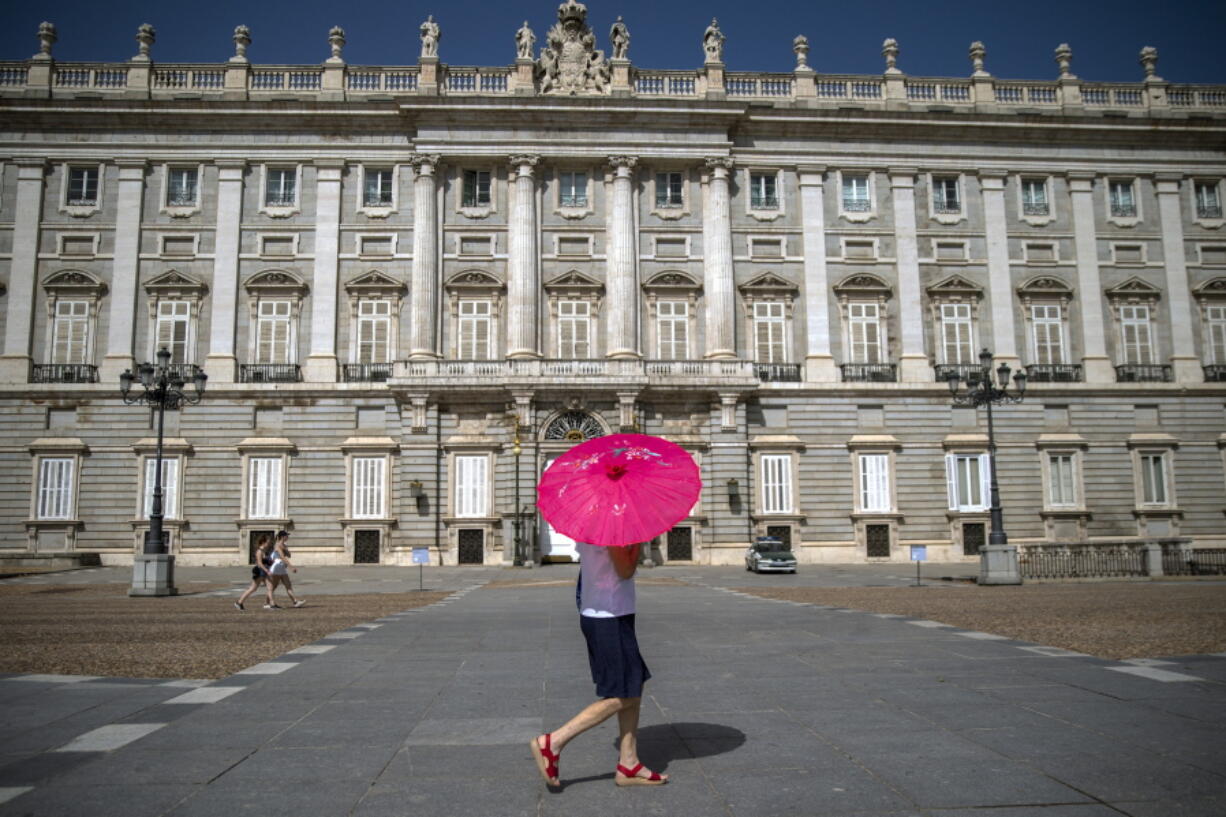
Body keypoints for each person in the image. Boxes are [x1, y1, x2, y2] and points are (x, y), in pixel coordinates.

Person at [530, 542, 667, 788]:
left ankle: (629, 762)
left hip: (604, 612)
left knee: (630, 685)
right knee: (627, 692)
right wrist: (638, 542)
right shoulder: (614, 526)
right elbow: (625, 570)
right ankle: (554, 742)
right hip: (609, 616)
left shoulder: (594, 521)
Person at [233, 535, 275, 611]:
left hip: (264, 571)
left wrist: (270, 562)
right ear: (263, 542)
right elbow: (259, 563)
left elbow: (265, 561)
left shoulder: (264, 551)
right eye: (268, 542)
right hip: (259, 572)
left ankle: (271, 604)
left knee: (270, 587)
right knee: (253, 588)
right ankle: (239, 602)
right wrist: (267, 570)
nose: (269, 544)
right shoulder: (259, 551)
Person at [266, 530, 305, 609]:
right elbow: (282, 557)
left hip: (281, 566)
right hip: (277, 566)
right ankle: (268, 603)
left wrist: (286, 549)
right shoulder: (278, 545)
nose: (288, 537)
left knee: (287, 585)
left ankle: (295, 602)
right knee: (274, 586)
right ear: (282, 537)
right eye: (286, 535)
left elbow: (289, 555)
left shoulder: (284, 545)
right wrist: (291, 567)